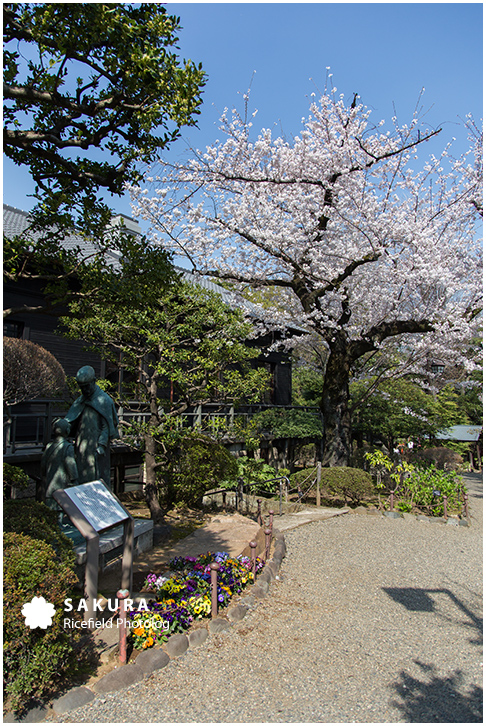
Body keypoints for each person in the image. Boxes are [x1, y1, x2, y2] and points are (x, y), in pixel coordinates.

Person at [63, 366, 119, 488]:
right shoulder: (80, 401)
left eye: (87, 386)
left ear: (93, 381)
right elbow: (71, 419)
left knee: (96, 477)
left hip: (96, 447)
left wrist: (102, 445)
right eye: (82, 387)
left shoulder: (104, 400)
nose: (85, 390)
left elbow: (107, 427)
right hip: (81, 446)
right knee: (81, 476)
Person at [42, 418, 78, 510]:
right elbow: (70, 464)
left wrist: (43, 474)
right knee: (61, 503)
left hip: (50, 481)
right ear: (67, 430)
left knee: (50, 501)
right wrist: (74, 478)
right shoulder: (68, 447)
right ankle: (59, 521)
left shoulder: (49, 446)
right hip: (61, 481)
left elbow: (43, 463)